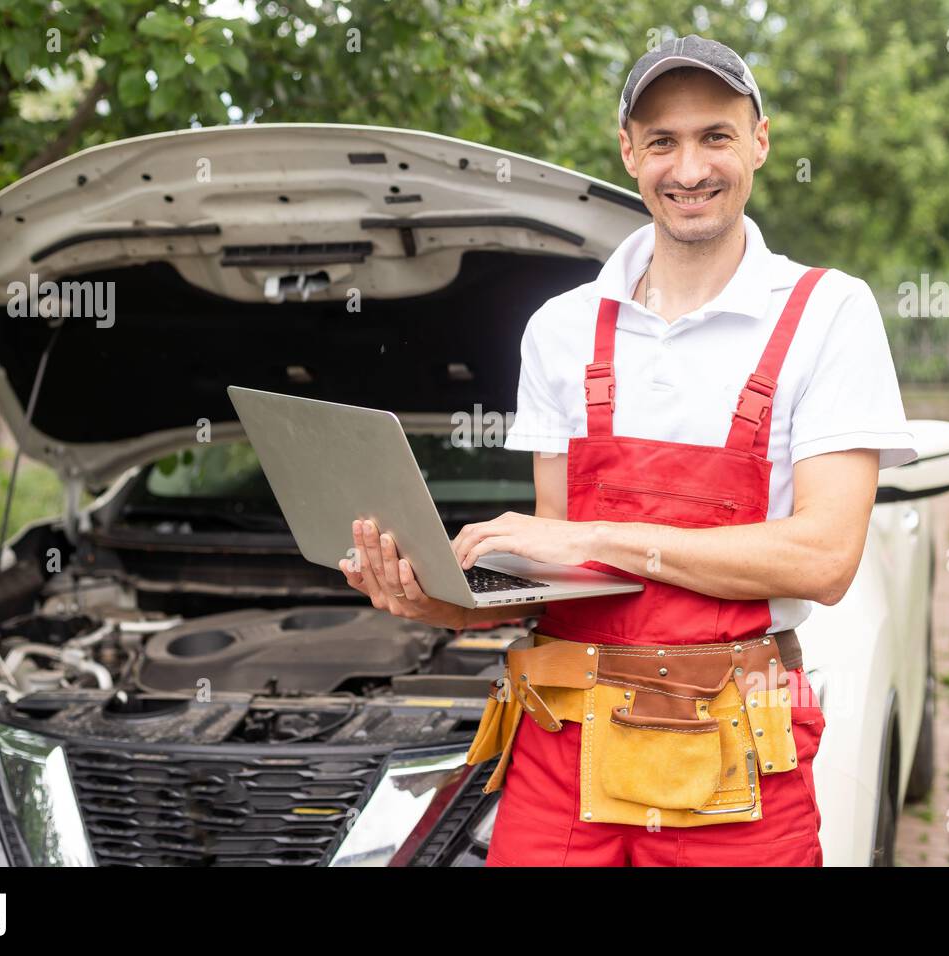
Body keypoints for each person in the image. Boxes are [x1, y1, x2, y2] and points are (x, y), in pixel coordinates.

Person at [338, 34, 918, 866]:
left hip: (737, 748)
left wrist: (590, 536)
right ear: (628, 152)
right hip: (560, 742)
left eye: (715, 136)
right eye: (662, 142)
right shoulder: (560, 329)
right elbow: (560, 578)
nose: (689, 168)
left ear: (760, 140)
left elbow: (822, 559)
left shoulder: (828, 313)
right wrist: (445, 600)